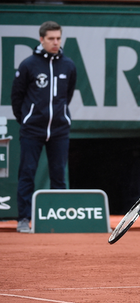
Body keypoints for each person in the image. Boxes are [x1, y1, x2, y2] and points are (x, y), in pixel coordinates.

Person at [11, 21, 77, 233]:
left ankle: (59, 219)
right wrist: (27, 119)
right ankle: (23, 218)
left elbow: (68, 96)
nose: (55, 42)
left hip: (59, 130)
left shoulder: (68, 65)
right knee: (27, 173)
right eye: (51, 38)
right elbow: (17, 97)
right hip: (32, 130)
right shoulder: (28, 64)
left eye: (58, 38)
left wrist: (59, 117)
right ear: (41, 39)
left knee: (59, 175)